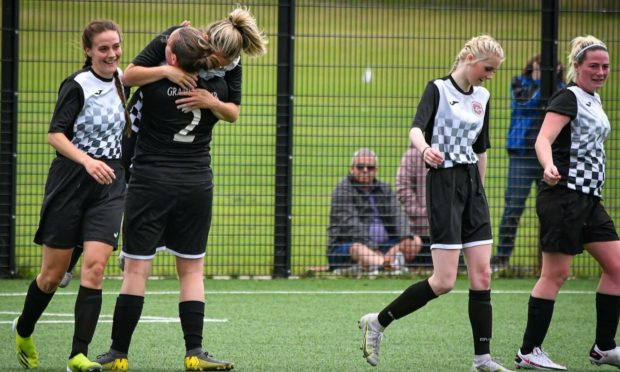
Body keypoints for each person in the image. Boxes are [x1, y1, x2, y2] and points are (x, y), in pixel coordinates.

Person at [95, 9, 267, 372]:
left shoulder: (161, 71)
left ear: (173, 53)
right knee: (191, 272)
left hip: (150, 179)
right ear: (206, 49)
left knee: (136, 271)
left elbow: (126, 77)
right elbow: (232, 111)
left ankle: (118, 355)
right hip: (195, 181)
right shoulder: (216, 83)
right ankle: (194, 352)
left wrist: (169, 68)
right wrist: (212, 102)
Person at [357, 35, 511, 371]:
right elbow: (415, 128)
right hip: (443, 184)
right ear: (470, 57)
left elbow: (481, 148)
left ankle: (482, 359)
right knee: (443, 282)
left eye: (495, 71)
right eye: (488, 68)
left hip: (473, 188)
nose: (490, 75)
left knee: (482, 275)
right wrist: (424, 148)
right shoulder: (438, 90)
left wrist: (479, 192)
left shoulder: (483, 97)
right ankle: (378, 323)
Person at [12, 20, 128, 372]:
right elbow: (55, 135)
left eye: (116, 46)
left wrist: (174, 33)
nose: (111, 54)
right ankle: (24, 329)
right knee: (50, 276)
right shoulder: (77, 85)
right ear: (89, 51)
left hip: (109, 185)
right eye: (103, 48)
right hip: (70, 184)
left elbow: (153, 62)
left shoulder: (123, 78)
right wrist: (87, 161)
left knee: (95, 268)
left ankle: (78, 355)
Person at [514, 35, 620, 370]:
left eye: (605, 66)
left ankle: (604, 348)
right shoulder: (569, 96)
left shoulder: (593, 99)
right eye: (594, 66)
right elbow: (543, 138)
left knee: (618, 269)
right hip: (563, 196)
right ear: (576, 67)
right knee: (556, 274)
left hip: (589, 199)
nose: (601, 71)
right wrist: (547, 166)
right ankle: (529, 351)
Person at [492, 55, 565, 270]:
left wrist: (553, 79)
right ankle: (501, 258)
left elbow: (560, 106)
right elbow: (525, 105)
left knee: (553, 210)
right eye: (540, 69)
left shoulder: (562, 89)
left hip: (552, 157)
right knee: (513, 207)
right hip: (522, 155)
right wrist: (541, 82)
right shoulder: (519, 84)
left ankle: (552, 262)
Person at [327, 148, 421, 275]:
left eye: (370, 167)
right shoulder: (342, 190)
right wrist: (371, 246)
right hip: (348, 246)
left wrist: (405, 236)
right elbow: (350, 225)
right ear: (351, 168)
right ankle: (388, 266)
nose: (365, 170)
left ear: (376, 170)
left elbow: (398, 214)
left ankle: (373, 266)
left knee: (414, 241)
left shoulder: (385, 189)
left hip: (384, 246)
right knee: (358, 249)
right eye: (360, 167)